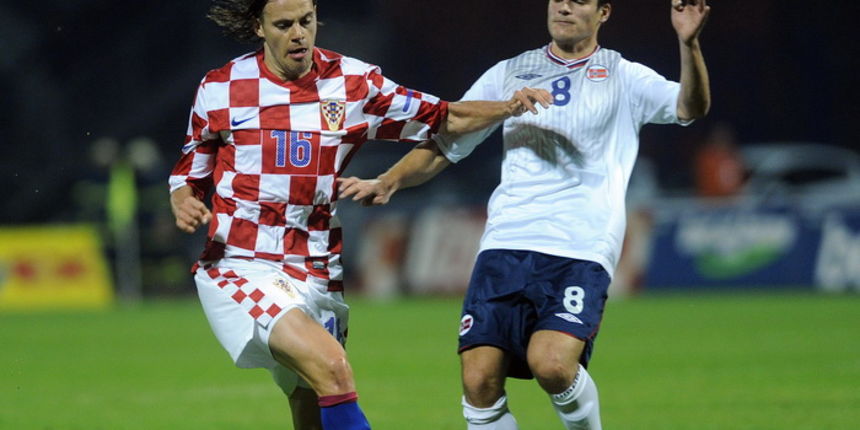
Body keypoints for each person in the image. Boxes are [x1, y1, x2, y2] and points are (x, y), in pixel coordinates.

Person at [168, 1, 551, 429]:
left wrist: (508, 107)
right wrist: (183, 199)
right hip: (241, 262)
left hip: (315, 266)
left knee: (311, 403)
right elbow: (189, 172)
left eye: (305, 21)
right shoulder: (222, 86)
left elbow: (443, 117)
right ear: (259, 27)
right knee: (333, 367)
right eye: (283, 24)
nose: (298, 34)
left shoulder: (352, 83)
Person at [338, 0, 712, 428]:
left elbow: (690, 107)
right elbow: (449, 137)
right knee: (478, 380)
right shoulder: (509, 73)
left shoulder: (625, 76)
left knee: (551, 365)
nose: (564, 7)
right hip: (505, 243)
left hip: (580, 245)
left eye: (579, 1)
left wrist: (690, 44)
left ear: (604, 12)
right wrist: (389, 180)